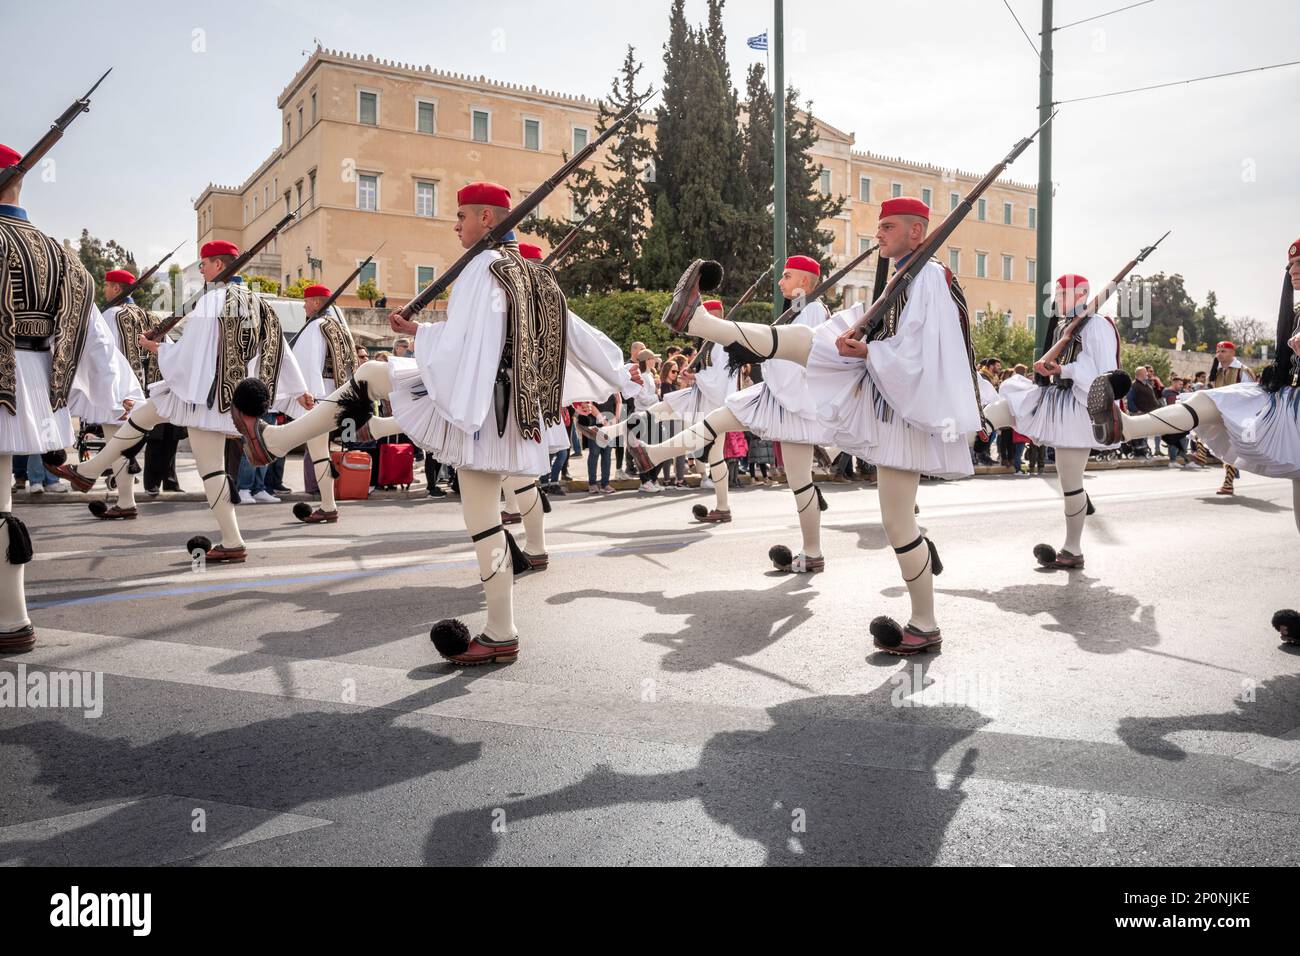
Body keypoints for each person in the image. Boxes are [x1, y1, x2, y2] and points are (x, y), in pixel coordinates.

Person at [235, 183, 566, 665]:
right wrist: (423, 333)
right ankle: (501, 631)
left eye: (462, 216)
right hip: (504, 409)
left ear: (488, 220)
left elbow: (464, 347)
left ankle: (502, 631)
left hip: (475, 405)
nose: (455, 225)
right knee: (375, 379)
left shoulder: (482, 267)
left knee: (483, 521)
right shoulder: (531, 275)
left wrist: (423, 339)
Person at [636, 197, 979, 653]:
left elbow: (926, 351)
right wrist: (855, 338)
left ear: (917, 232)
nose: (878, 234)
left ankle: (923, 622)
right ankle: (701, 322)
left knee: (898, 523)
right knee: (806, 344)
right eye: (879, 226)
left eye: (888, 226)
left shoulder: (930, 277)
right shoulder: (905, 275)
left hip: (905, 410)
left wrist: (871, 351)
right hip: (888, 398)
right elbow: (873, 327)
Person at [50, 240, 310, 564]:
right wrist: (298, 389)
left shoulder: (213, 301)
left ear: (217, 265)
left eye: (203, 264)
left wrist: (158, 348)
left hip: (204, 398)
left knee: (211, 470)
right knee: (145, 415)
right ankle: (89, 470)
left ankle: (232, 541)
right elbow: (277, 351)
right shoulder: (259, 303)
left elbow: (190, 357)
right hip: (224, 395)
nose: (200, 270)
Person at [629, 256, 838, 572]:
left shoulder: (812, 311)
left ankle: (812, 552)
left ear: (805, 283)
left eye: (787, 276)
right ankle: (813, 553)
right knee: (793, 477)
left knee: (800, 482)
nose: (781, 282)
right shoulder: (799, 310)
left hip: (793, 402)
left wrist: (761, 354)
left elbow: (799, 357)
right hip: (783, 399)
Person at [0, 143, 127, 653]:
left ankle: (11, 621)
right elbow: (97, 341)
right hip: (40, 388)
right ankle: (13, 618)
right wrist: (108, 397)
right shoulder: (64, 257)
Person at [1088, 236, 1300, 542]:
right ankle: (1128, 427)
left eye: (1299, 262)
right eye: (1291, 263)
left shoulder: (1242, 368)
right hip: (1286, 404)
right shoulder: (1295, 314)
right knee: (1206, 400)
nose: (1293, 268)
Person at [982, 273, 1119, 569]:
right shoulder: (1064, 326)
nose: (1057, 300)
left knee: (1070, 481)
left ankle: (1072, 549)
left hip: (1079, 405)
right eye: (1056, 295)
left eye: (1063, 294)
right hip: (1059, 399)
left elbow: (1103, 373)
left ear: (1083, 294)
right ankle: (978, 431)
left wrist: (1064, 370)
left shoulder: (1095, 326)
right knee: (1009, 400)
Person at [597, 300, 744, 523]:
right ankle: (611, 432)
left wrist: (695, 376)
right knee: (660, 409)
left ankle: (723, 507)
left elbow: (721, 380)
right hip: (703, 397)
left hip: (712, 402)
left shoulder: (722, 342)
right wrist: (695, 375)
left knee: (715, 455)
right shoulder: (713, 341)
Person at [271, 282, 357, 522]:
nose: (303, 306)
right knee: (321, 453)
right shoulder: (340, 329)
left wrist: (306, 395)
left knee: (319, 453)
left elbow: (306, 365)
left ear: (318, 303)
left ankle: (329, 507)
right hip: (339, 398)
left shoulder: (316, 327)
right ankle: (328, 505)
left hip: (318, 399)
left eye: (307, 301)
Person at [72, 268, 149, 519]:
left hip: (116, 389)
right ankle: (125, 500)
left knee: (116, 446)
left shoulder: (110, 315)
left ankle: (126, 502)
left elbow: (103, 355)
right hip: (138, 389)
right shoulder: (144, 314)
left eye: (107, 286)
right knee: (122, 447)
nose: (104, 290)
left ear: (117, 288)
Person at [1204, 341, 1255, 495]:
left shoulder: (1243, 371)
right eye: (1218, 351)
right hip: (1221, 414)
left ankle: (1228, 483)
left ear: (1233, 353)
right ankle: (1200, 453)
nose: (1219, 354)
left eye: (1223, 351)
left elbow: (1251, 394)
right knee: (1202, 429)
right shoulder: (1216, 372)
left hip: (1238, 416)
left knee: (1231, 450)